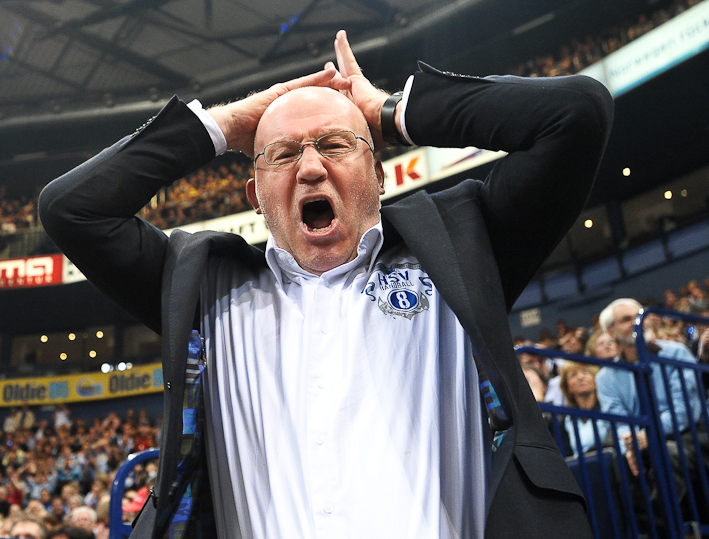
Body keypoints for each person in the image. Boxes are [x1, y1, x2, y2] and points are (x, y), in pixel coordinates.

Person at [39, 29, 612, 539]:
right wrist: (224, 125)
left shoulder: (462, 244)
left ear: (378, 173)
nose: (311, 167)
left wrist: (390, 112)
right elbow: (72, 209)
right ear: (255, 196)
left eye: (336, 145)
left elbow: (576, 114)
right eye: (283, 154)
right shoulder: (202, 287)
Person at [594, 297, 708, 522]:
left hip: (692, 435)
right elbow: (618, 421)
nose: (638, 322)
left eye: (640, 315)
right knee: (613, 463)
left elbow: (685, 410)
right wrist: (630, 444)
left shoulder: (675, 353)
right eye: (626, 319)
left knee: (665, 453)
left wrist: (649, 434)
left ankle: (670, 529)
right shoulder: (605, 377)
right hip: (643, 442)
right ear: (611, 331)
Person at [558, 361, 611, 456]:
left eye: (585, 372)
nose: (580, 377)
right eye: (573, 375)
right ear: (568, 387)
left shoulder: (608, 408)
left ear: (596, 379)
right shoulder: (566, 420)